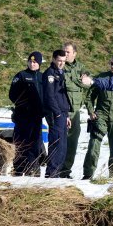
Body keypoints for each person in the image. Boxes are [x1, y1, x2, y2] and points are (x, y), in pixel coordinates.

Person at [82, 55, 113, 180]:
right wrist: (91, 111)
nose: (112, 66)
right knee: (94, 144)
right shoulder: (102, 78)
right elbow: (89, 96)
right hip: (101, 115)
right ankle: (88, 173)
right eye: (111, 63)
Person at [9, 51, 44, 176]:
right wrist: (25, 105)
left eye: (35, 62)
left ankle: (33, 168)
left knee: (35, 143)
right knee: (21, 142)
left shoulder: (42, 77)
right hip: (23, 115)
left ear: (39, 63)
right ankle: (18, 168)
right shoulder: (21, 75)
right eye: (30, 61)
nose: (32, 64)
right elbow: (12, 95)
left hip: (37, 116)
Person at [59, 42, 87, 178]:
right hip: (62, 110)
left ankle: (65, 171)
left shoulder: (81, 68)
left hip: (75, 111)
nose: (65, 54)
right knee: (59, 141)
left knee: (72, 143)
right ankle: (55, 169)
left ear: (74, 54)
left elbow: (87, 84)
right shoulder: (59, 66)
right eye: (64, 51)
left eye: (68, 52)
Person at [42, 49, 71, 178]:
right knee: (56, 144)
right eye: (59, 60)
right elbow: (49, 96)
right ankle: (52, 173)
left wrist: (67, 115)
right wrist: (58, 113)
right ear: (53, 59)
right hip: (55, 114)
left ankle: (57, 172)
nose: (61, 63)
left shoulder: (61, 73)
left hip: (63, 113)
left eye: (63, 61)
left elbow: (63, 96)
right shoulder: (50, 74)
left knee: (63, 145)